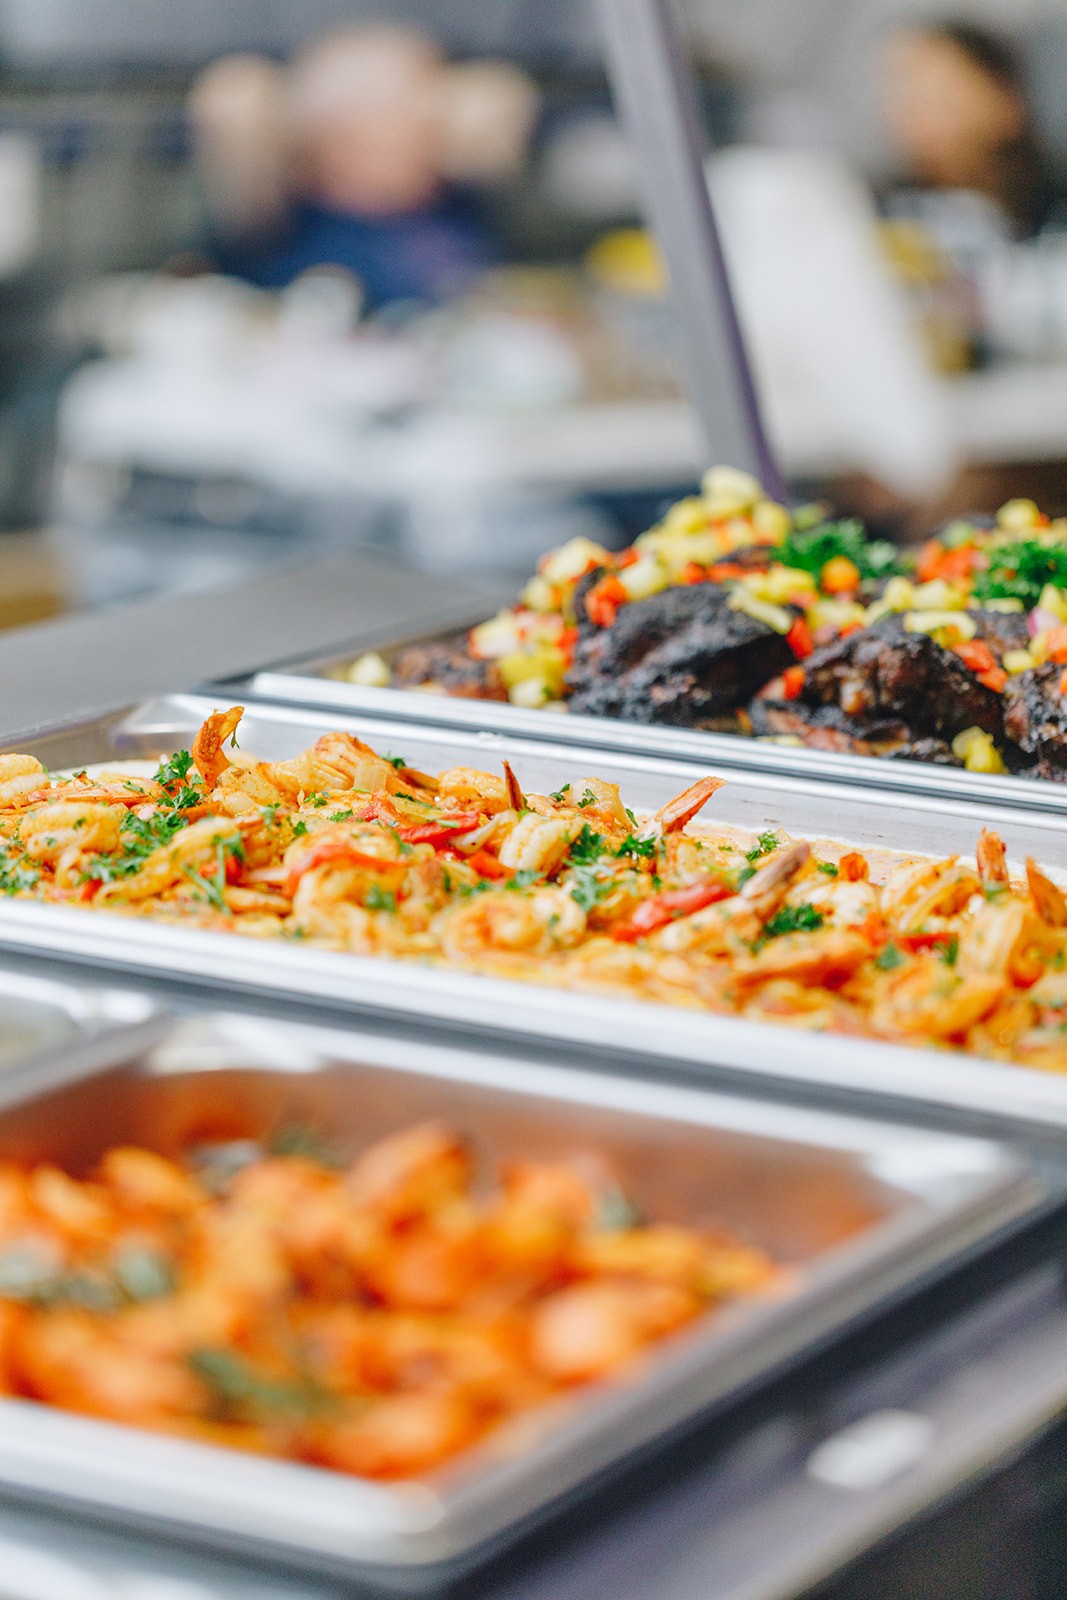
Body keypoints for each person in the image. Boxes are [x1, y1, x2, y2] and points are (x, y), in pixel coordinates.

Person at [190, 27, 538, 312]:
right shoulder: (278, 230)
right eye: (407, 107)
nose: (433, 121)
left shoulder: (457, 207)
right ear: (336, 132)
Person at [880, 21, 1061, 241]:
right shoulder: (889, 216)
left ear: (1005, 101)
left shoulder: (1054, 210)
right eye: (909, 98)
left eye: (943, 98)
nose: (920, 117)